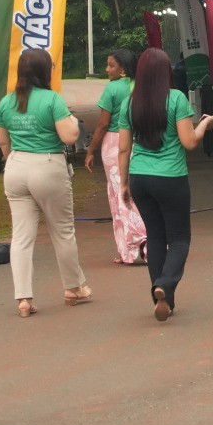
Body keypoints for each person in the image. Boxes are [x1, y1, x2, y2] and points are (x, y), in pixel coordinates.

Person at [117, 48, 213, 322]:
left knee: (155, 237)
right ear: (166, 73)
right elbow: (189, 141)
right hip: (171, 178)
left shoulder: (129, 103)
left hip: (139, 178)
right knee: (179, 239)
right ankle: (164, 284)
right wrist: (205, 124)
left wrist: (124, 184)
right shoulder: (176, 99)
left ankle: (164, 300)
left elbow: (123, 149)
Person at [0, 48, 87, 318]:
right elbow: (70, 137)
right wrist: (72, 120)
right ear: (44, 71)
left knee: (21, 237)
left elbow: (3, 142)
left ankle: (24, 298)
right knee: (62, 231)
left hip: (16, 166)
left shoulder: (6, 102)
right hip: (47, 164)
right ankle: (73, 288)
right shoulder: (52, 99)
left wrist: (14, 160)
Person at [85, 48, 148, 265]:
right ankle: (137, 247)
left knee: (119, 193)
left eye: (111, 65)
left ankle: (137, 243)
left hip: (115, 143)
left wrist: (91, 149)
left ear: (123, 69)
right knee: (138, 191)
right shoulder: (141, 85)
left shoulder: (112, 88)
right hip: (140, 141)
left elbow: (103, 124)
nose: (107, 69)